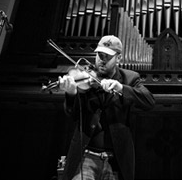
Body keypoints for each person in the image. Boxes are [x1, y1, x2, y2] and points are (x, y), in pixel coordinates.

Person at [58, 35, 156, 180]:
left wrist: (122, 88)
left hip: (115, 159)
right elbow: (72, 115)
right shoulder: (85, 79)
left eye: (107, 56)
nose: (102, 60)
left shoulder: (130, 78)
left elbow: (149, 101)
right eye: (99, 55)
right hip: (85, 156)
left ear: (118, 59)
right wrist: (71, 94)